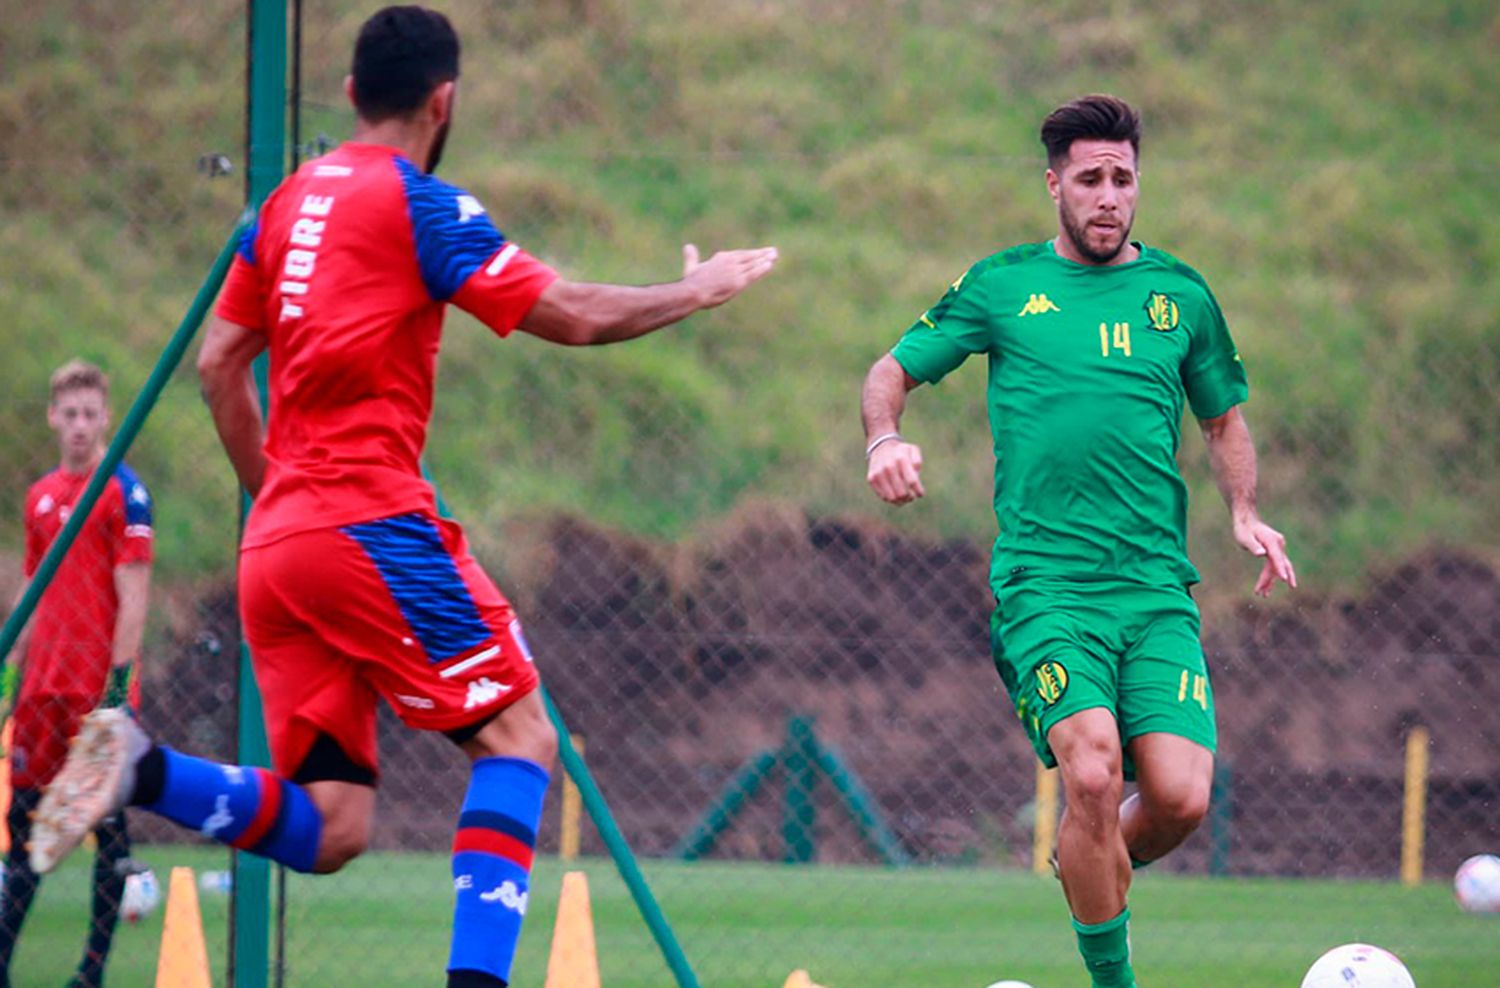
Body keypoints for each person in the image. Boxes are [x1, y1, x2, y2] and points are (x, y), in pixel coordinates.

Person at [28, 7, 776, 988]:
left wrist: (273, 499)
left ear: (349, 96)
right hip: (369, 526)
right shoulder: (421, 205)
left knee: (335, 826)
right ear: (444, 100)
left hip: (279, 551)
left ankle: (140, 766)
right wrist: (695, 290)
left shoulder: (284, 205)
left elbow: (219, 365)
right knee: (518, 737)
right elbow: (570, 314)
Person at [860, 94, 1295, 988]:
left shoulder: (1180, 296)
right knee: (1091, 771)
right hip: (1046, 592)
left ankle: (1085, 860)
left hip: (1155, 593)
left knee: (1179, 798)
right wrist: (884, 438)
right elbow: (890, 372)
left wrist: (1245, 513)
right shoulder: (1001, 287)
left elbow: (1223, 422)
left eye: (1123, 180)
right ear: (1054, 182)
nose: (1108, 197)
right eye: (1090, 179)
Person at [1, 359, 152, 988]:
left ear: (107, 418)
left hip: (97, 696)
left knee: (110, 839)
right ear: (54, 418)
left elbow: (134, 592)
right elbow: (32, 591)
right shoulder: (39, 497)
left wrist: (117, 694)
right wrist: (10, 682)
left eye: (92, 414)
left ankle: (91, 971)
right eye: (71, 414)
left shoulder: (124, 492)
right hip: (42, 693)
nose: (82, 425)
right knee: (23, 835)